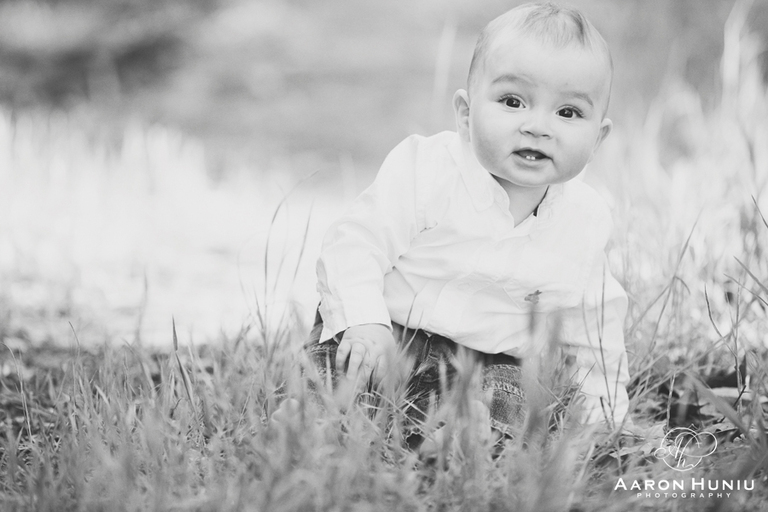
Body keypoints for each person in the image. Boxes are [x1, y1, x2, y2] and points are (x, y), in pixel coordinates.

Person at [302, 1, 631, 446]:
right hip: (389, 332)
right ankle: (314, 420)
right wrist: (364, 320)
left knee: (512, 395)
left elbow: (594, 329)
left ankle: (463, 437)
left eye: (568, 112)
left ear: (598, 139)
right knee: (344, 365)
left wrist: (604, 417)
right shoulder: (427, 170)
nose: (538, 127)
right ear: (465, 114)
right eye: (513, 102)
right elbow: (356, 243)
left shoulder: (585, 222)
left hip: (488, 362)